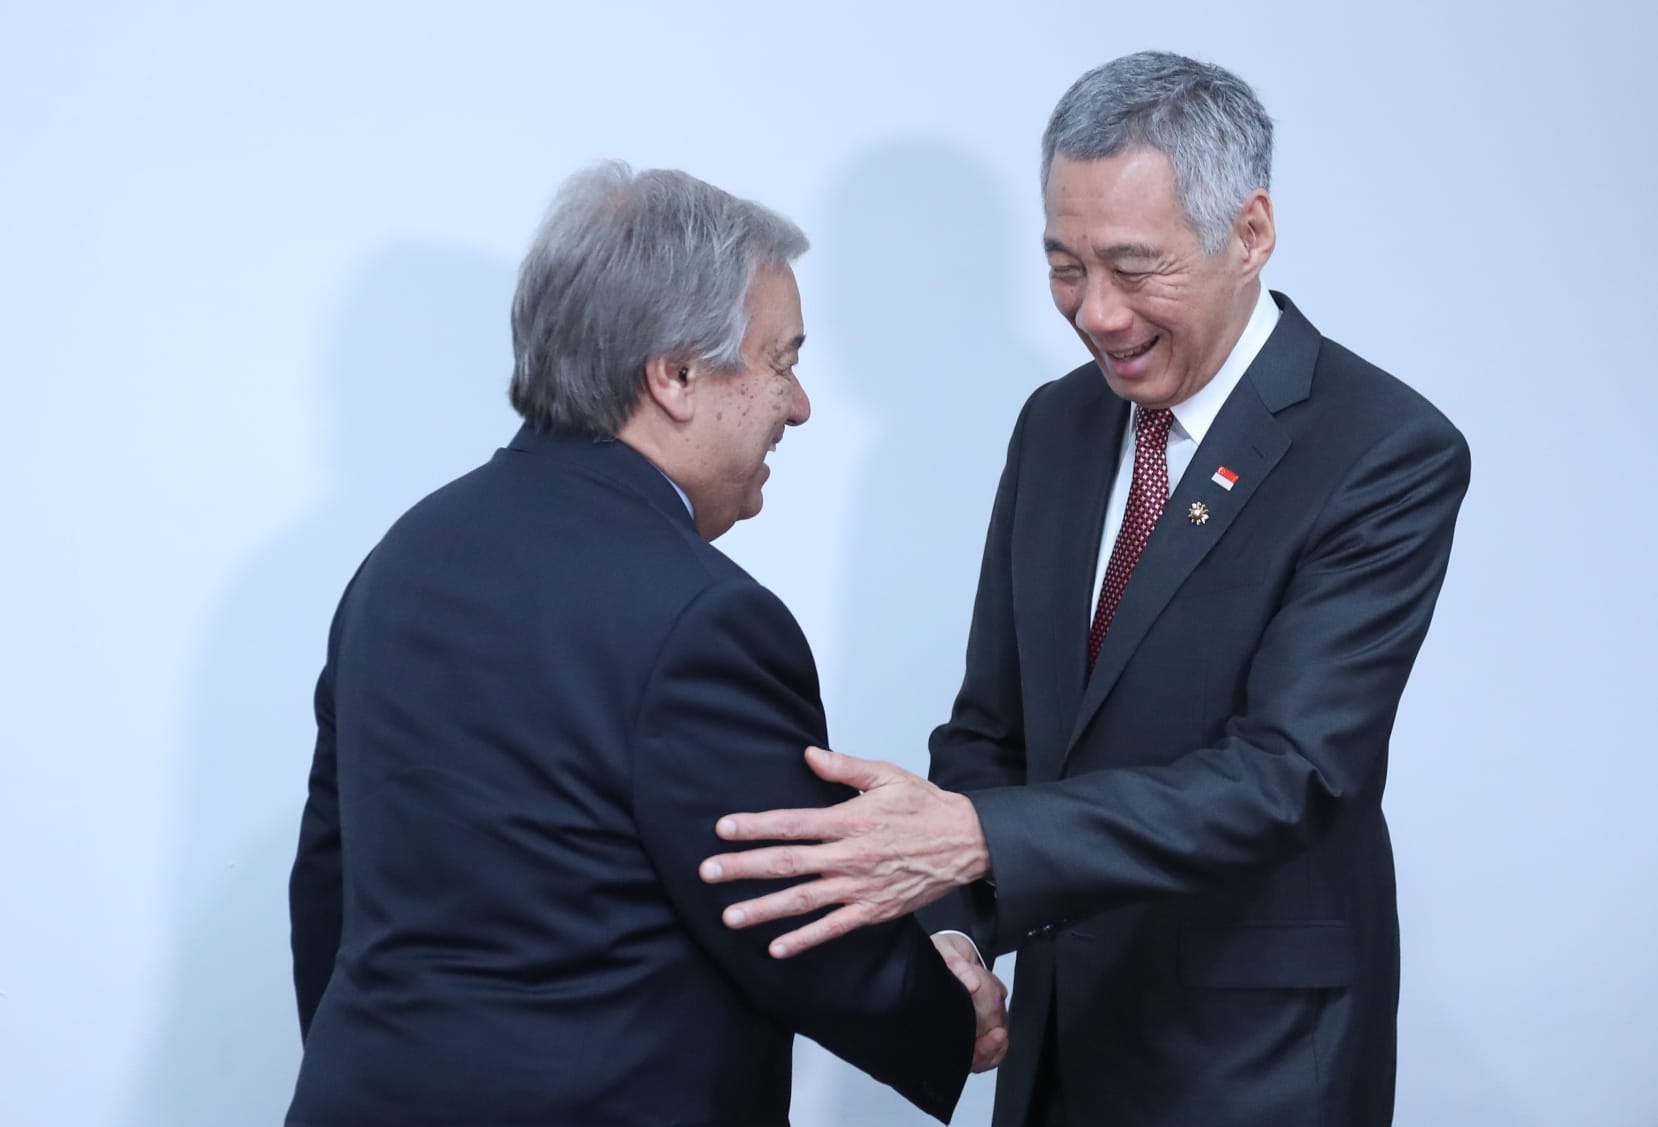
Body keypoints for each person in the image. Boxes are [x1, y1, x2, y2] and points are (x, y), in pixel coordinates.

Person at [698, 52, 1471, 1126]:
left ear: (1249, 232)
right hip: (1056, 1040)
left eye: (1133, 266)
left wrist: (982, 839)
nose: (1096, 312)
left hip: (1254, 1059)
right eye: (1063, 265)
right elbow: (990, 731)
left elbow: (1290, 774)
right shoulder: (1056, 425)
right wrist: (958, 924)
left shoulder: (1380, 448)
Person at [285, 162, 1005, 1127]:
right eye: (781, 361)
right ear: (674, 375)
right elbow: (787, 909)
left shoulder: (404, 557)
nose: (798, 407)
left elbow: (329, 878)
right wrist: (952, 1009)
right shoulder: (704, 616)